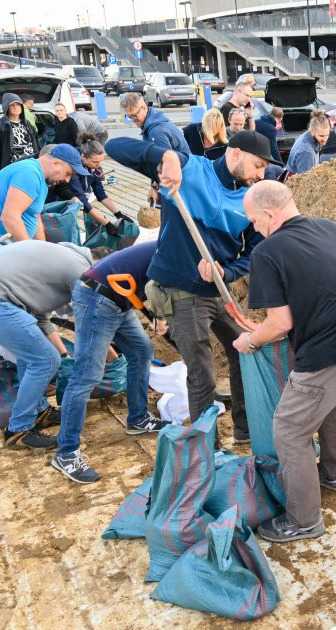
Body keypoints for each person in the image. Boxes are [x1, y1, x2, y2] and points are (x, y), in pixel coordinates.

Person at [106, 131, 279, 451]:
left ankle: (244, 428)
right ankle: (207, 450)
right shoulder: (189, 170)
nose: (260, 175)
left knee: (243, 351)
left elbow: (255, 250)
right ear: (236, 153)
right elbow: (113, 146)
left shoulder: (248, 199)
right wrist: (166, 157)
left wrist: (228, 271)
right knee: (202, 374)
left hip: (218, 291)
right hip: (181, 291)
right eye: (258, 166)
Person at [235, 180, 336, 543]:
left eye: (254, 221)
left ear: (269, 214)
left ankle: (303, 520)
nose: (254, 229)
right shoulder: (332, 228)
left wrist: (251, 340)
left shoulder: (268, 252)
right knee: (329, 408)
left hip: (329, 347)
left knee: (288, 429)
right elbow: (332, 285)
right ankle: (334, 474)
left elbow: (281, 323)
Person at [0, 240, 95, 450]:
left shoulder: (59, 259)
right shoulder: (81, 270)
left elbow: (42, 320)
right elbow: (93, 321)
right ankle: (18, 429)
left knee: (34, 354)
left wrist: (64, 355)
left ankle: (39, 410)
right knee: (44, 360)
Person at [54, 242, 168, 483]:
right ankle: (66, 452)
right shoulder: (182, 250)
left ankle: (138, 419)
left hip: (119, 299)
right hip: (97, 296)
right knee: (87, 374)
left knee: (141, 350)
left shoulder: (182, 247)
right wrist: (162, 317)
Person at [0, 144, 82, 259]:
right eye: (68, 173)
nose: (67, 180)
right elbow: (9, 217)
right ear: (56, 163)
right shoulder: (29, 173)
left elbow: (35, 216)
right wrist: (31, 254)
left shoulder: (40, 178)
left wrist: (43, 252)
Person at [48, 135, 131, 232]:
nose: (99, 165)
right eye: (95, 162)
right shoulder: (73, 168)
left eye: (100, 161)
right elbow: (81, 200)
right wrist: (106, 223)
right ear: (83, 156)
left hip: (70, 205)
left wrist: (118, 213)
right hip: (53, 205)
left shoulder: (93, 167)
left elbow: (100, 193)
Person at [121, 93, 188, 154]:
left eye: (134, 115)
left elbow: (166, 162)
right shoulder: (154, 118)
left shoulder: (156, 131)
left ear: (144, 107)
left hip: (183, 167)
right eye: (129, 116)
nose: (132, 119)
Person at [284, 110, 332, 175]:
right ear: (312, 131)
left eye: (327, 135)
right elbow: (305, 179)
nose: (325, 139)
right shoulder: (307, 151)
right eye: (321, 136)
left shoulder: (309, 136)